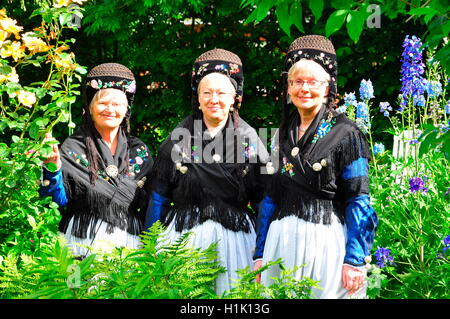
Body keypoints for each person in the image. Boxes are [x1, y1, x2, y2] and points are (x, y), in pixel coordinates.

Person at [253, 35, 378, 298]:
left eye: (313, 82)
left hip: (327, 244)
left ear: (327, 88)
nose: (305, 89)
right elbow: (269, 198)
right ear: (288, 88)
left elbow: (359, 197)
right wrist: (260, 254)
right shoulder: (279, 136)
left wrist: (355, 259)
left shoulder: (346, 133)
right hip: (280, 243)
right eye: (297, 81)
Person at [146, 48, 269, 295]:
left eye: (222, 92)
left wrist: (263, 251)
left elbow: (264, 201)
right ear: (198, 98)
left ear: (235, 97)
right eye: (207, 93)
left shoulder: (251, 141)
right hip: (183, 240)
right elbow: (158, 197)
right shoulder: (176, 141)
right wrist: (150, 249)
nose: (215, 99)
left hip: (237, 241)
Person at [39, 63, 153, 258]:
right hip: (79, 241)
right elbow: (57, 200)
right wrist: (53, 168)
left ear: (126, 110)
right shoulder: (74, 147)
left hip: (129, 244)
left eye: (117, 104)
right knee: (76, 288)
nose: (110, 109)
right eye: (102, 103)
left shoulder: (139, 151)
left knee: (126, 290)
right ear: (90, 108)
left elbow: (153, 202)